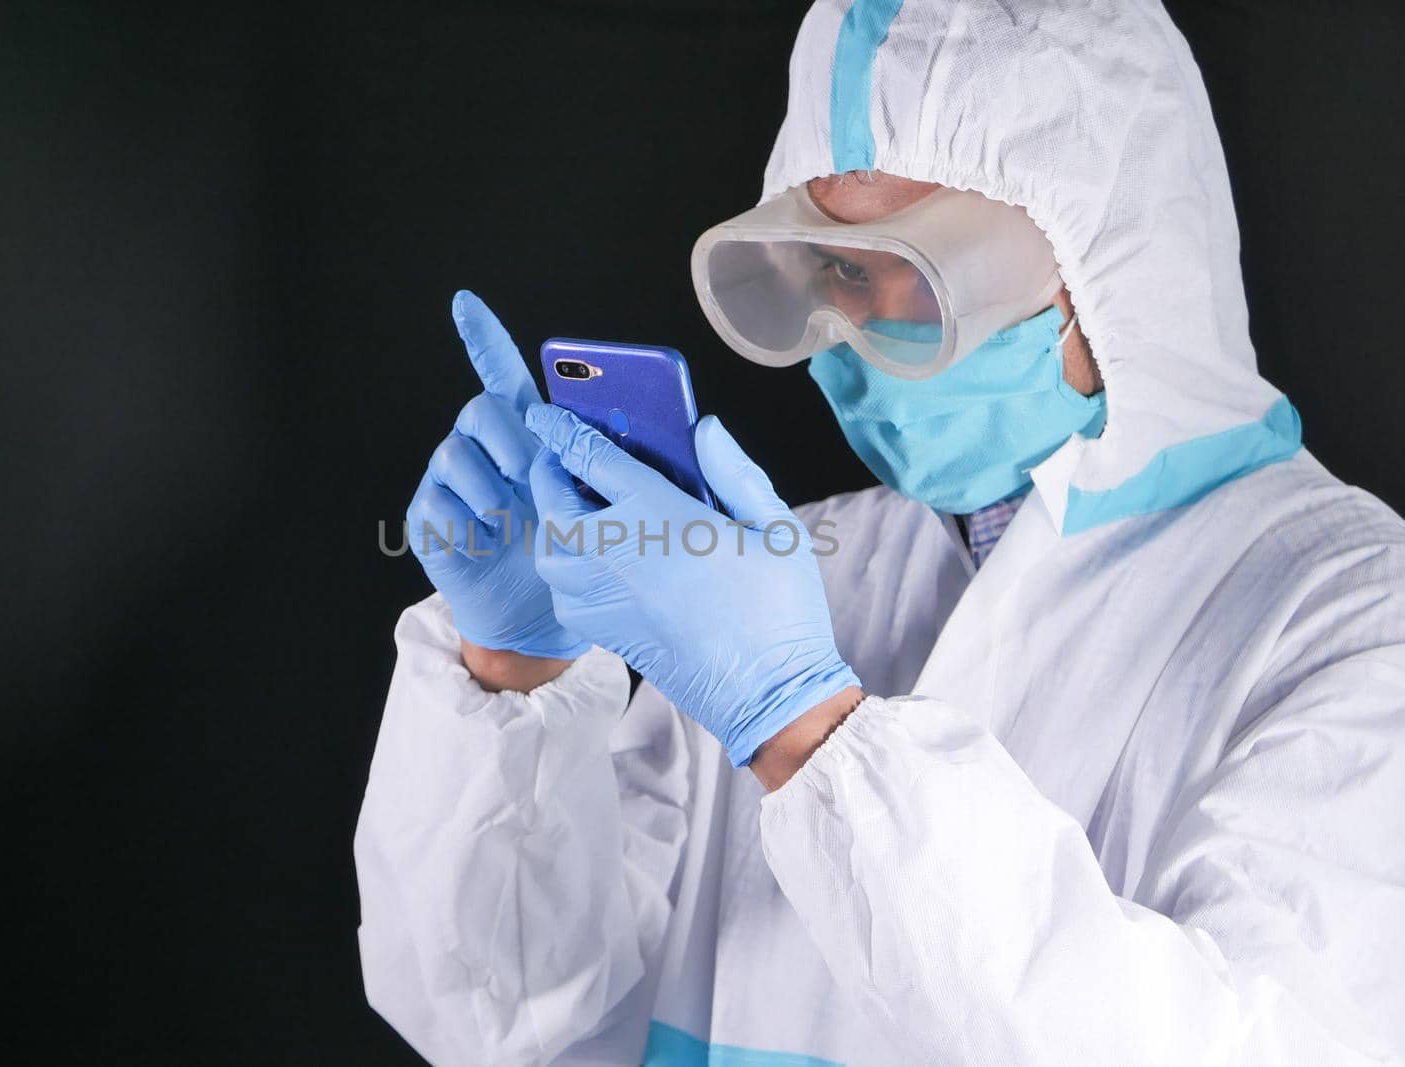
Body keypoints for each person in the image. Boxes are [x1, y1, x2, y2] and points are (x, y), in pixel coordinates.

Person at [356, 0, 1405, 1063]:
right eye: (839, 266)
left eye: (928, 267)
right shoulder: (767, 582)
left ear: (1125, 254)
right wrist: (512, 672)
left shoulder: (1352, 617)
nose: (861, 323)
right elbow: (507, 1026)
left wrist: (804, 725)